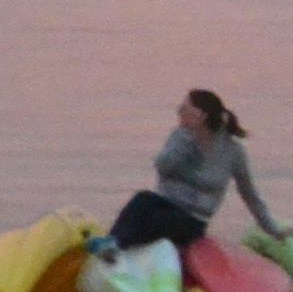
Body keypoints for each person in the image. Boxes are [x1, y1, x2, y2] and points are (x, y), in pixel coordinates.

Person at [105, 87, 278, 254]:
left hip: (193, 219)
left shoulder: (233, 151)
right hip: (166, 204)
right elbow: (163, 166)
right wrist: (188, 139)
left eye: (185, 107)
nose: (179, 111)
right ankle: (111, 245)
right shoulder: (180, 136)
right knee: (142, 199)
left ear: (202, 115)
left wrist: (273, 229)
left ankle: (121, 246)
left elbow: (250, 194)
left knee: (155, 221)